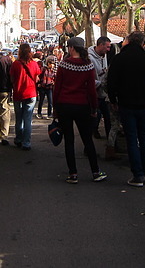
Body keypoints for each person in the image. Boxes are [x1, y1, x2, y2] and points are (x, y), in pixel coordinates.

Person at [107, 31, 145, 187]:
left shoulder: (119, 59)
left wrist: (113, 99)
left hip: (126, 103)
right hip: (144, 104)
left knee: (131, 139)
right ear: (143, 43)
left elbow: (111, 81)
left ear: (128, 41)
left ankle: (138, 174)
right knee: (144, 138)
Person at [52, 36, 107, 184]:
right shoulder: (88, 65)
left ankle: (73, 174)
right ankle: (95, 172)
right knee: (87, 139)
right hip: (82, 106)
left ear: (70, 48)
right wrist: (94, 108)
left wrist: (55, 107)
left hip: (64, 105)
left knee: (69, 140)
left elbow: (57, 88)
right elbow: (91, 90)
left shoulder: (63, 65)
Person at [9, 43, 41, 150]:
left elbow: (12, 78)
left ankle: (19, 139)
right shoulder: (34, 64)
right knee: (28, 119)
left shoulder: (15, 64)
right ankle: (26, 142)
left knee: (19, 118)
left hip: (18, 93)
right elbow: (37, 78)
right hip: (31, 93)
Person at [87, 36, 112, 140]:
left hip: (104, 94)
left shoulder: (104, 55)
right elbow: (87, 79)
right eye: (107, 47)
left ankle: (111, 142)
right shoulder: (89, 58)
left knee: (108, 118)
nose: (108, 50)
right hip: (94, 94)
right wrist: (99, 83)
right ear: (100, 45)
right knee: (95, 116)